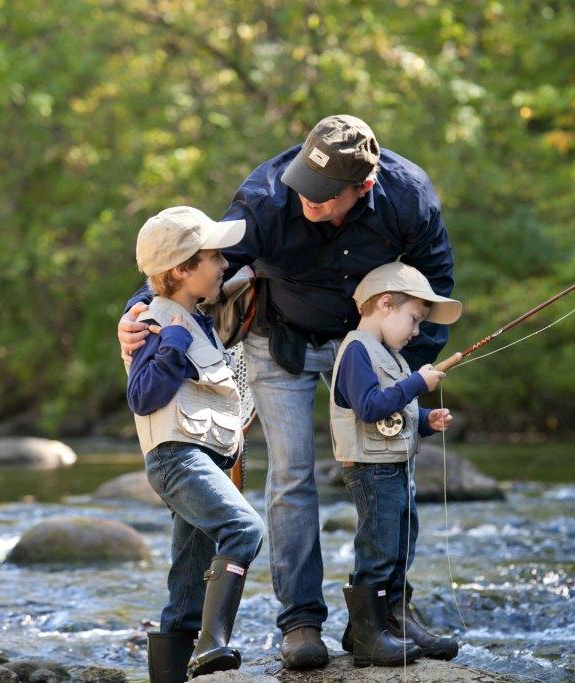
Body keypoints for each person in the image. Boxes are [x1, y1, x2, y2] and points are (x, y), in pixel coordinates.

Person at [118, 115, 455, 669]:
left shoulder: (408, 197)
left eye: (323, 197)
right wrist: (135, 309)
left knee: (392, 463)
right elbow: (181, 264)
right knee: (293, 475)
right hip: (281, 344)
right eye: (303, 186)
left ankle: (386, 612)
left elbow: (436, 282)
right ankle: (300, 623)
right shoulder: (267, 200)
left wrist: (402, 371)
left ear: (363, 188)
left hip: (369, 346)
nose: (307, 201)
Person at [126, 206, 266, 682]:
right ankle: (212, 645)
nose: (223, 264)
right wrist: (171, 346)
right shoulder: (159, 324)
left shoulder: (195, 316)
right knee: (246, 529)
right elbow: (141, 396)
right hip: (176, 459)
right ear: (182, 270)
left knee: (187, 583)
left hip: (198, 457)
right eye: (214, 257)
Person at [329, 262, 462, 667]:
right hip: (370, 469)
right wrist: (418, 384)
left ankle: (389, 621)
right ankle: (370, 635)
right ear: (385, 304)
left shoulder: (393, 355)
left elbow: (395, 414)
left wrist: (424, 420)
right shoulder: (356, 351)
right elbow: (369, 407)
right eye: (414, 319)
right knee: (379, 547)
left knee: (403, 545)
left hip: (396, 467)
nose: (417, 331)